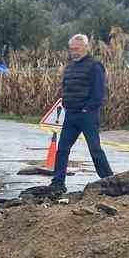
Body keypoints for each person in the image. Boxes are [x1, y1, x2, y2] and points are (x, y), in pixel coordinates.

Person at [47, 33, 114, 197]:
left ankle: (110, 181)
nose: (74, 52)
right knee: (62, 150)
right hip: (71, 115)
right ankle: (57, 183)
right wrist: (65, 103)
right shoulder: (70, 67)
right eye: (71, 49)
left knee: (95, 149)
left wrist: (87, 108)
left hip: (87, 115)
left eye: (77, 49)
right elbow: (65, 86)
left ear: (85, 48)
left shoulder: (94, 66)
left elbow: (99, 92)